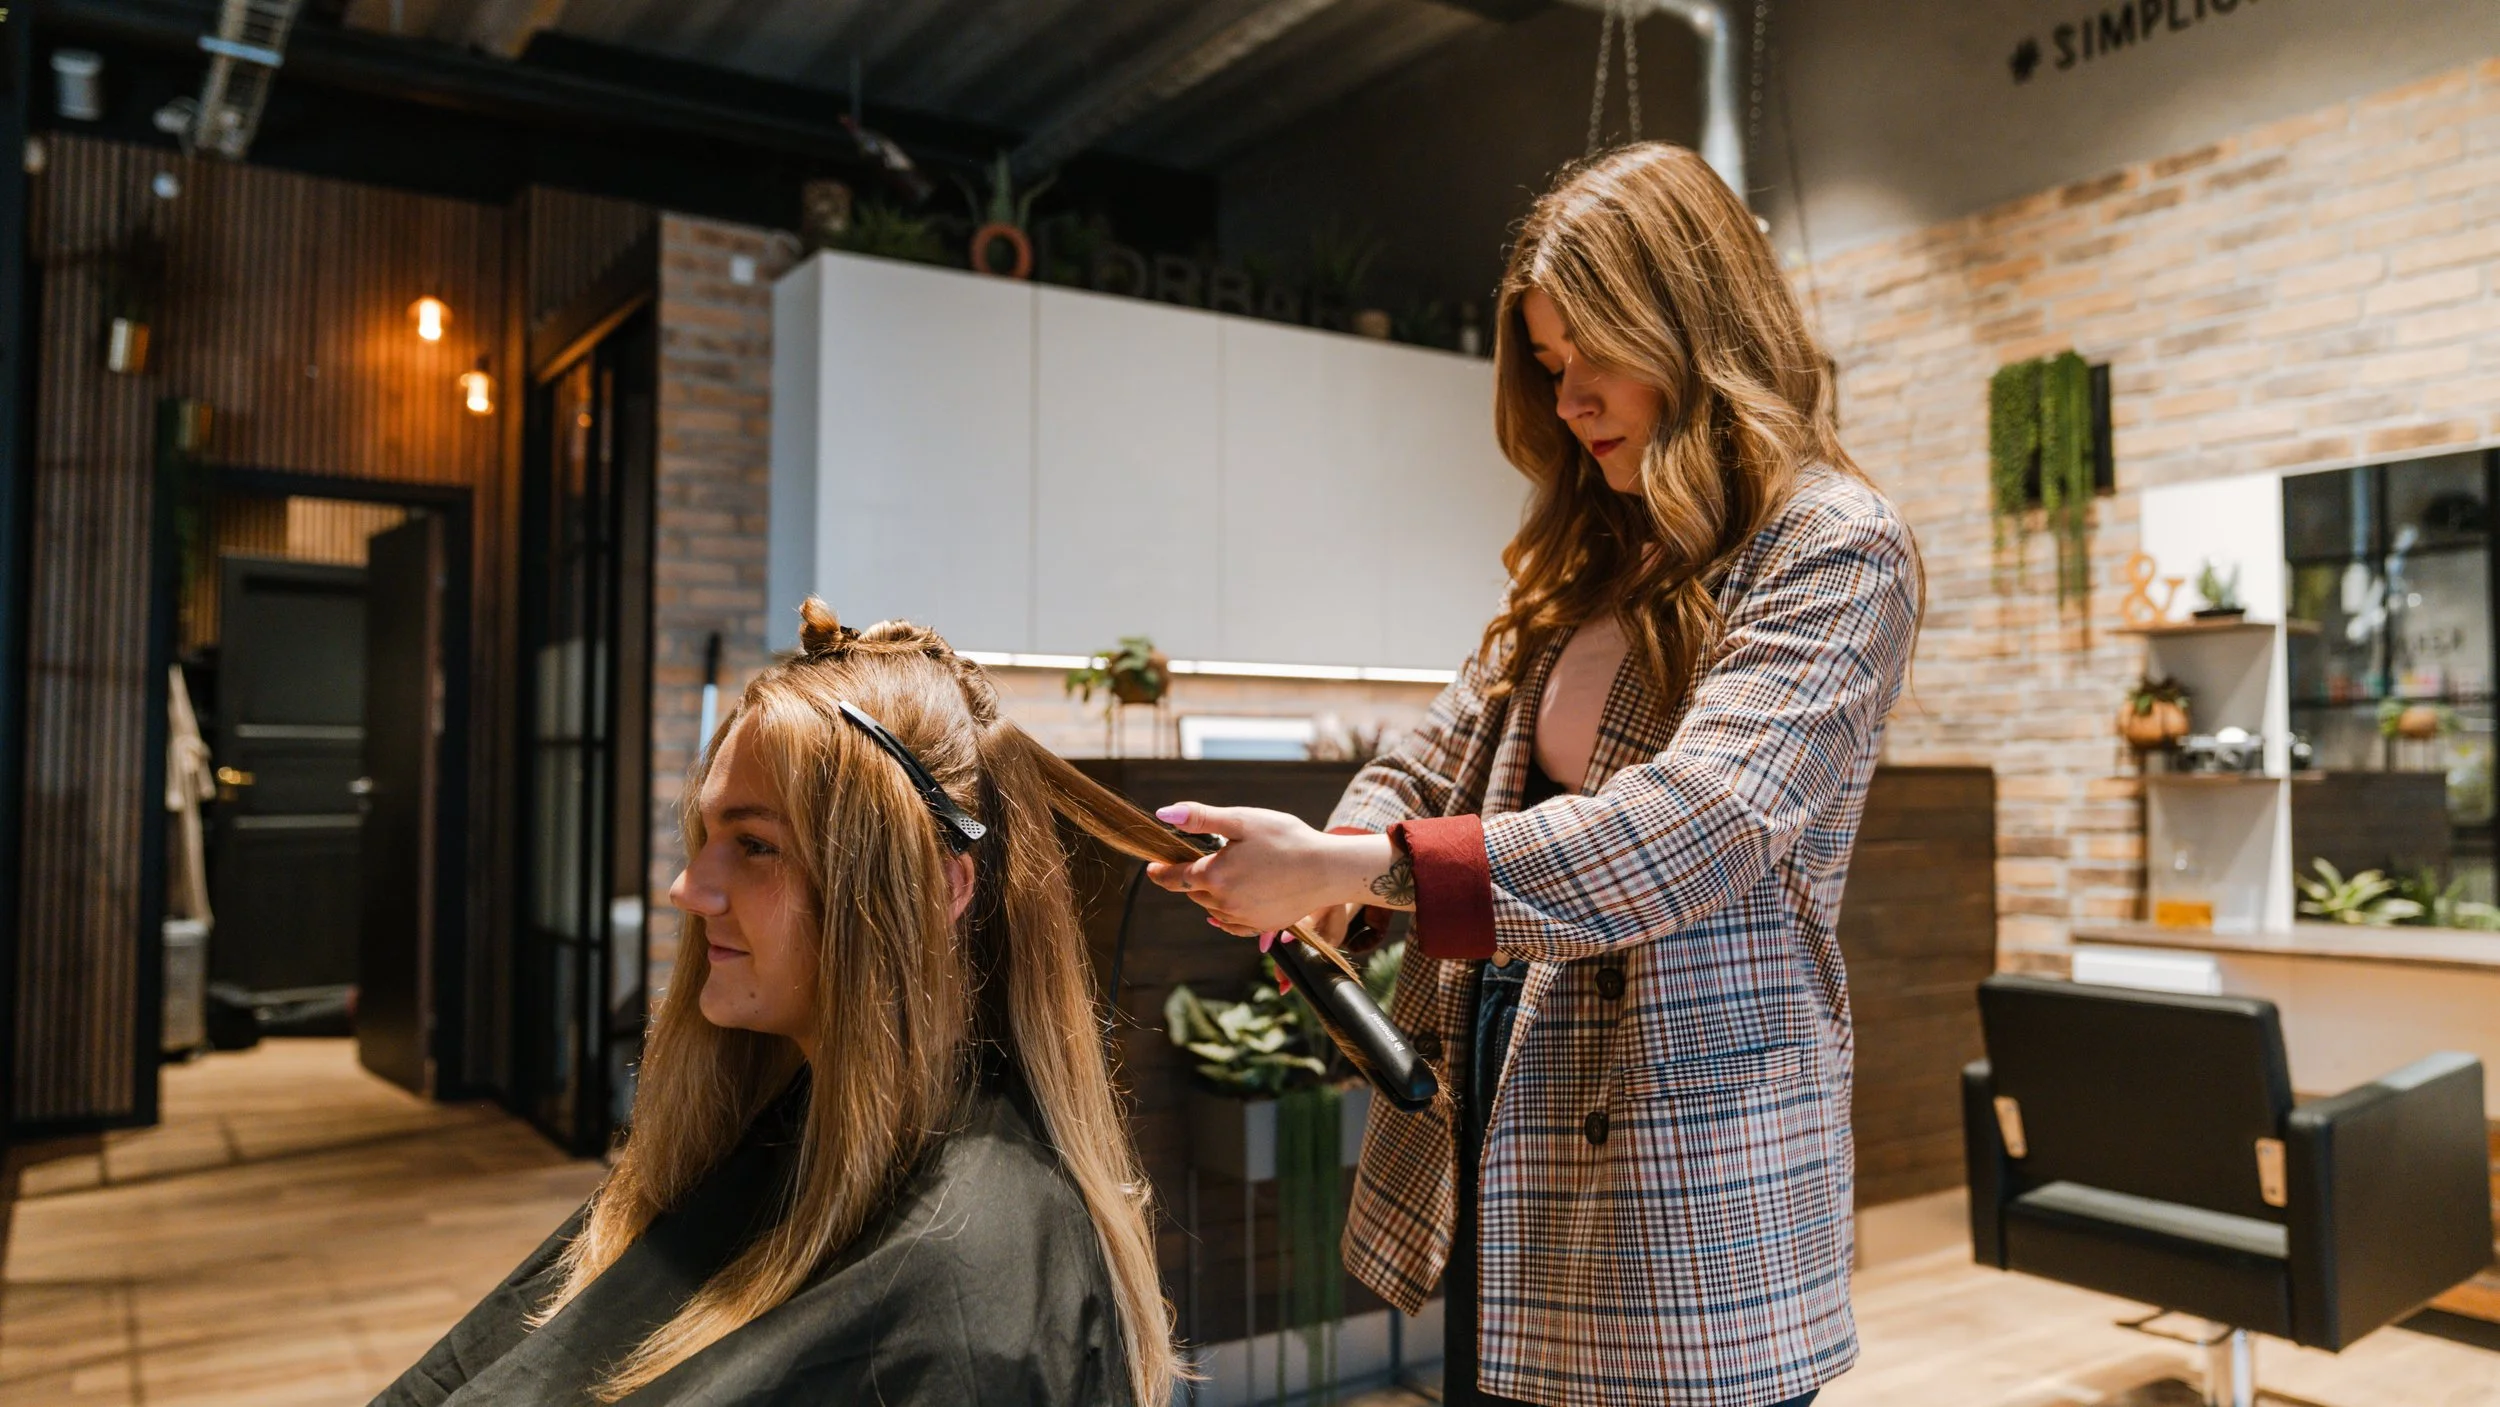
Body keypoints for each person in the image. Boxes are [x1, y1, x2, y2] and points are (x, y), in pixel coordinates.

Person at [1145, 143, 1922, 1407]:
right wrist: (1337, 854)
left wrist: (1351, 868)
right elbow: (1435, 749)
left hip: (1686, 1148)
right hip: (1512, 1088)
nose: (1567, 401)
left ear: (1692, 324)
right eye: (1551, 368)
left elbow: (1697, 825)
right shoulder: (1590, 562)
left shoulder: (1834, 549)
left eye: (1594, 357)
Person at [374, 603, 1194, 1406]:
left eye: (756, 846)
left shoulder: (972, 1287)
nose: (687, 888)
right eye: (707, 839)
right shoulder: (768, 1126)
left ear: (933, 885)